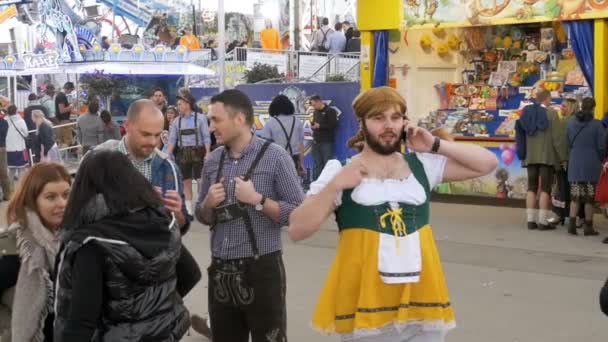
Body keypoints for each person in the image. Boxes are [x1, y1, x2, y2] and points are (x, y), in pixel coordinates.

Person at [288, 87, 498, 342]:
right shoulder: (340, 170)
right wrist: (335, 186)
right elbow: (297, 229)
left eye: (395, 117)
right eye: (378, 118)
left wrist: (434, 144)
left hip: (423, 301)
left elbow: (487, 164)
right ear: (362, 123)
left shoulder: (422, 165)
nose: (388, 125)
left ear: (404, 122)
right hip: (367, 306)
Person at [196, 89, 305, 342]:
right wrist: (209, 204)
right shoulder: (212, 161)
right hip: (220, 270)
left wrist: (258, 201)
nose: (211, 127)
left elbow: (298, 213)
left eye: (216, 120)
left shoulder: (275, 157)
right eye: (210, 121)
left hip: (262, 268)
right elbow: (203, 217)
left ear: (240, 120)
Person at [95, 99, 206, 336]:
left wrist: (177, 214)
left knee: (190, 273)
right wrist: (131, 205)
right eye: (146, 134)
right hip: (111, 254)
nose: (152, 142)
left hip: (155, 255)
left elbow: (181, 226)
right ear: (127, 126)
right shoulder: (101, 159)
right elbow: (82, 209)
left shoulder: (166, 165)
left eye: (158, 135)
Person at [53, 150, 189, 341]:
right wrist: (153, 310)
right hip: (165, 332)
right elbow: (191, 274)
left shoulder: (90, 244)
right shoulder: (162, 221)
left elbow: (81, 324)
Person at [6, 162, 71, 342]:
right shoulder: (18, 248)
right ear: (32, 200)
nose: (62, 203)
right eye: (51, 197)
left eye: (66, 195)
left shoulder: (76, 238)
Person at [515, 89, 565, 230]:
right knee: (545, 188)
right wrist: (563, 157)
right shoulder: (551, 113)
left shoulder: (526, 112)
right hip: (546, 156)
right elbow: (558, 139)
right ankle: (543, 222)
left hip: (530, 156)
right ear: (547, 98)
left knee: (531, 187)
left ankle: (530, 220)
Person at [167, 91, 211, 215]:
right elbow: (172, 140)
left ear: (188, 104)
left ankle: (201, 205)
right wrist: (168, 154)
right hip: (183, 153)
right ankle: (189, 210)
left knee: (200, 180)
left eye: (180, 104)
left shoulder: (201, 118)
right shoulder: (176, 121)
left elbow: (206, 137)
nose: (178, 107)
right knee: (186, 181)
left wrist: (208, 153)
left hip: (198, 152)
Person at [567, 97, 605, 236]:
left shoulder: (571, 123)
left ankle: (572, 224)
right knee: (589, 197)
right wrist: (600, 160)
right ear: (593, 108)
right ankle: (588, 227)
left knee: (575, 196)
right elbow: (601, 146)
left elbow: (569, 142)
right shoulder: (597, 125)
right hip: (591, 164)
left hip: (575, 162)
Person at [548, 98, 578, 227]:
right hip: (576, 160)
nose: (561, 108)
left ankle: (559, 215)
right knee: (575, 190)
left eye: (564, 106)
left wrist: (562, 159)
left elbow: (559, 142)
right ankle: (576, 217)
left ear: (571, 108)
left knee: (561, 188)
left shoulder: (564, 122)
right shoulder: (578, 121)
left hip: (564, 160)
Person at [261, 94, 305, 176]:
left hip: (275, 159)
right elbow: (301, 145)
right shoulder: (297, 121)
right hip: (294, 159)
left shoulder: (270, 123)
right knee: (293, 186)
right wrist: (301, 164)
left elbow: (265, 145)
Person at [309, 95, 338, 180]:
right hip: (316, 141)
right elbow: (316, 124)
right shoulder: (315, 112)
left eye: (314, 105)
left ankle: (327, 184)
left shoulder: (330, 111)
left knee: (327, 164)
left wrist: (320, 126)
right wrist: (314, 126)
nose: (314, 107)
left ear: (319, 101)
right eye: (312, 105)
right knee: (317, 164)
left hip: (327, 142)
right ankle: (316, 184)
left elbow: (334, 125)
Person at [6, 105, 30, 179]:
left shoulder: (5, 120)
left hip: (9, 149)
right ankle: (21, 188)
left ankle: (10, 189)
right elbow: (26, 133)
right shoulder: (21, 121)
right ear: (16, 111)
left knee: (11, 170)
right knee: (22, 169)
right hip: (20, 148)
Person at [55, 82, 76, 147]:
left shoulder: (60, 95)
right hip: (64, 122)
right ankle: (62, 155)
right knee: (67, 141)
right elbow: (62, 110)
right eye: (71, 90)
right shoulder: (61, 96)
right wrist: (71, 106)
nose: (71, 92)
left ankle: (61, 155)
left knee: (63, 141)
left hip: (62, 121)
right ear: (69, 89)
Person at [0, 113, 11, 199]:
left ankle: (7, 194)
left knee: (3, 172)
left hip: (1, 148)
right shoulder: (4, 122)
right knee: (3, 172)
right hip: (2, 147)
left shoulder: (3, 122)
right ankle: (7, 195)